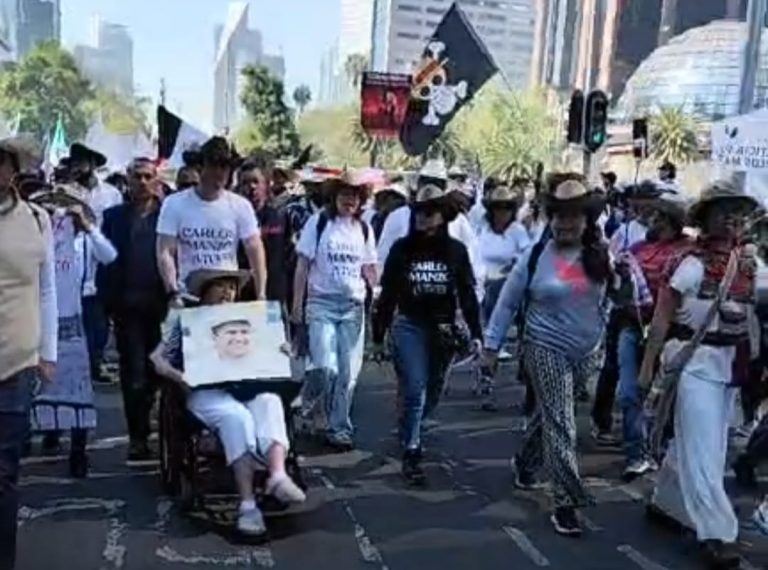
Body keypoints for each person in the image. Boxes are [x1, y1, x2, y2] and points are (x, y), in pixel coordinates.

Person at [484, 175, 613, 537]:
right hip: (544, 345)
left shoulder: (602, 255)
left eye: (574, 215)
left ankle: (525, 462)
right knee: (563, 422)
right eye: (559, 215)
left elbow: (617, 299)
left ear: (587, 219)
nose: (565, 223)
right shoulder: (536, 255)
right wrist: (492, 348)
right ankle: (566, 501)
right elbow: (508, 302)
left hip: (587, 351)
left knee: (550, 417)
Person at [639, 179, 758, 569]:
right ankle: (719, 534)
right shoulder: (690, 264)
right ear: (707, 217)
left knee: (701, 444)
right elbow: (661, 318)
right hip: (694, 366)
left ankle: (665, 503)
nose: (733, 218)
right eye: (725, 210)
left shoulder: (752, 264)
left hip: (730, 369)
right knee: (706, 453)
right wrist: (646, 368)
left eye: (738, 211)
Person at [150, 268, 306, 537]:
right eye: (220, 285)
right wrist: (181, 376)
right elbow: (157, 360)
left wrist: (281, 352)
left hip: (248, 386)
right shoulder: (187, 320)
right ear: (205, 290)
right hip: (205, 390)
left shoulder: (249, 318)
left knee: (270, 402)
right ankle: (247, 506)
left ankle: (278, 475)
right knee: (236, 417)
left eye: (232, 287)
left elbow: (275, 357)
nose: (228, 292)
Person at [373, 184, 482, 484]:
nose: (423, 217)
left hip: (444, 328)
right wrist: (378, 335)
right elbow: (389, 295)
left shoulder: (456, 251)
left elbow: (467, 293)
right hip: (409, 324)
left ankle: (411, 424)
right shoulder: (402, 249)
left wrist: (477, 333)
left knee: (433, 389)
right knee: (415, 386)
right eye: (418, 211)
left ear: (443, 216)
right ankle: (412, 449)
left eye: (430, 212)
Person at [30, 188, 117, 477]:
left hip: (75, 314)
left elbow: (109, 256)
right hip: (37, 315)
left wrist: (88, 227)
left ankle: (78, 451)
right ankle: (44, 433)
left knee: (78, 383)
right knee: (37, 382)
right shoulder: (37, 235)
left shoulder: (82, 241)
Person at [0, 135, 57, 570]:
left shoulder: (38, 219)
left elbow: (48, 290)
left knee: (5, 476)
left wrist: (48, 352)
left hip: (17, 365)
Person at [291, 171, 377, 451]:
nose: (349, 200)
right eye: (345, 194)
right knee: (325, 367)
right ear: (335, 196)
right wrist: (297, 305)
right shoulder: (318, 224)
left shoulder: (363, 229)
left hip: (352, 307)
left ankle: (339, 427)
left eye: (355, 195)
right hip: (321, 303)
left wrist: (378, 291)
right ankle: (306, 404)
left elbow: (368, 267)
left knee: (347, 373)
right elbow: (302, 265)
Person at [612, 189, 693, 480]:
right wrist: (619, 273)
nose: (650, 220)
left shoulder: (689, 250)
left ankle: (661, 446)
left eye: (658, 216)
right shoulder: (634, 249)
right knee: (629, 391)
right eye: (651, 214)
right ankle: (636, 454)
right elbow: (619, 292)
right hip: (632, 326)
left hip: (672, 333)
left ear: (671, 220)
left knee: (668, 395)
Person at [98, 158, 167, 464]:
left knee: (160, 373)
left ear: (156, 180)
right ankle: (138, 437)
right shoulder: (113, 217)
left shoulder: (168, 215)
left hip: (163, 306)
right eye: (136, 176)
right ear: (127, 180)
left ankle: (161, 427)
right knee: (134, 374)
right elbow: (105, 260)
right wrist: (106, 304)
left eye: (147, 176)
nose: (141, 182)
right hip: (127, 308)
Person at [156, 136, 267, 302]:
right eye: (214, 166)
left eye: (225, 166)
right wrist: (172, 291)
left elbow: (255, 249)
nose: (220, 173)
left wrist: (261, 294)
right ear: (201, 167)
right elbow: (165, 251)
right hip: (188, 295)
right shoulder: (174, 204)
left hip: (227, 295)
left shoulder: (240, 206)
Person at [377, 161, 483, 299]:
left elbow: (472, 260)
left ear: (444, 188)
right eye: (427, 181)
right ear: (419, 183)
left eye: (437, 183)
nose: (431, 186)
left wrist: (474, 296)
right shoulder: (398, 217)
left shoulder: (458, 221)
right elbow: (383, 256)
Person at [67, 143, 123, 386]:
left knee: (98, 323)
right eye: (74, 162)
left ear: (92, 165)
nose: (78, 167)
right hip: (73, 264)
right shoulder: (65, 193)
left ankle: (95, 361)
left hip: (102, 263)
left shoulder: (111, 195)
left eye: (82, 162)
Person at [236, 157, 289, 305]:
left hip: (274, 294)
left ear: (266, 184)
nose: (251, 187)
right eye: (245, 183)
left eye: (255, 181)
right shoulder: (234, 219)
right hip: (242, 295)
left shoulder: (280, 216)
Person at [476, 183, 531, 322]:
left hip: (506, 283)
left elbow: (527, 256)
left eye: (507, 208)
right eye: (498, 207)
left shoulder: (517, 231)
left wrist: (514, 264)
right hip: (481, 280)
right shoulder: (483, 229)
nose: (502, 212)